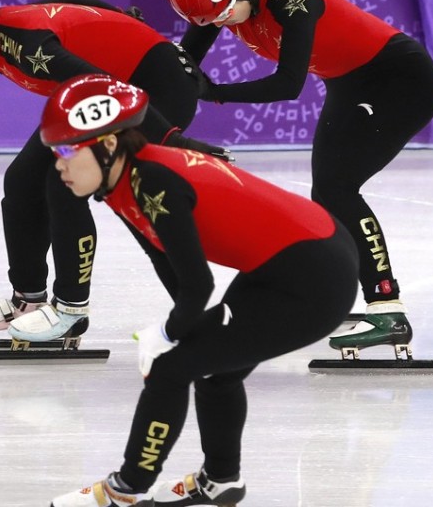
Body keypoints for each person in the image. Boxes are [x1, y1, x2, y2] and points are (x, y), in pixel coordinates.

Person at [162, 0, 433, 358]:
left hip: (400, 79)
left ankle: (387, 308)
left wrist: (218, 93)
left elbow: (289, 85)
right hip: (349, 82)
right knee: (327, 193)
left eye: (224, 13)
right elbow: (183, 74)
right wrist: (161, 123)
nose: (221, 24)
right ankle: (378, 303)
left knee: (337, 188)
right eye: (211, 18)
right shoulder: (221, 2)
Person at [44, 74, 358, 507]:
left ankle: (127, 490)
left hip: (314, 273)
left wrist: (170, 334)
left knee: (172, 369)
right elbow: (167, 261)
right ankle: (221, 481)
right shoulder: (120, 182)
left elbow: (198, 283)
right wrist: (185, 328)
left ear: (110, 144)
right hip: (291, 260)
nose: (57, 164)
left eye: (65, 150)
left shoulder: (153, 180)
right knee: (212, 370)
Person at [0, 0, 223, 344]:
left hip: (153, 92)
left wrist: (174, 140)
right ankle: (29, 300)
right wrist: (122, 18)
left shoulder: (25, 47)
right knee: (22, 181)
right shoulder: (3, 27)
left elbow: (109, 87)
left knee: (67, 184)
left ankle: (72, 310)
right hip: (98, 93)